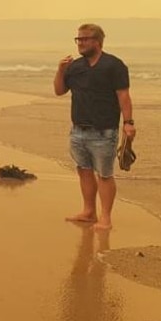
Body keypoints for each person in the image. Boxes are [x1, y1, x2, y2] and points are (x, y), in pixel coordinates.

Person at [54, 24, 136, 230]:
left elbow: (123, 96)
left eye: (84, 39)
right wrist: (60, 70)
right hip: (78, 130)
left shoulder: (114, 65)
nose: (80, 43)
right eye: (78, 39)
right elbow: (59, 90)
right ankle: (89, 211)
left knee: (105, 175)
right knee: (84, 171)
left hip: (104, 131)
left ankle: (105, 218)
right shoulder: (75, 66)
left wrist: (128, 123)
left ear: (97, 41)